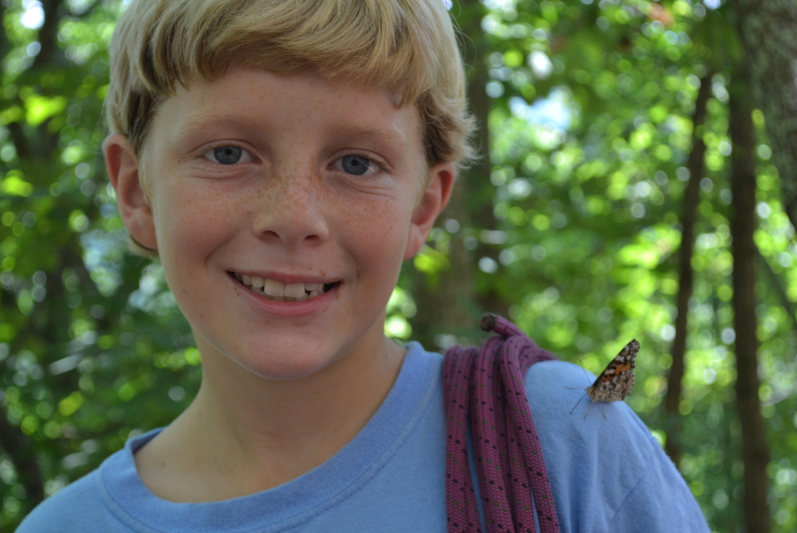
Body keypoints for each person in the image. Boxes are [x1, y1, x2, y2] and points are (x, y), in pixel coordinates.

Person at [17, 0, 710, 531]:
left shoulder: (559, 443)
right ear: (135, 190)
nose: (293, 215)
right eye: (228, 153)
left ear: (423, 206)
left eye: (355, 163)